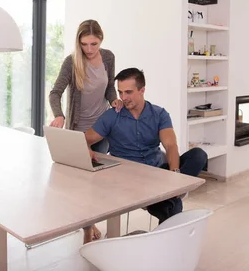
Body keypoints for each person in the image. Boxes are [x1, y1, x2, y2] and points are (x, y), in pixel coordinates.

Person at [85, 68, 208, 224]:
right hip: (126, 178)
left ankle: (169, 193)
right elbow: (84, 139)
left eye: (128, 92)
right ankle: (165, 200)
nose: (123, 97)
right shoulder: (112, 116)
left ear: (142, 90)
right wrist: (87, 149)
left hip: (156, 173)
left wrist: (175, 176)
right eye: (120, 92)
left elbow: (170, 145)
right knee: (172, 206)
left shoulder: (159, 114)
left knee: (199, 155)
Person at [49, 19, 122, 243]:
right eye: (84, 44)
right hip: (79, 132)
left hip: (102, 128)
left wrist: (114, 100)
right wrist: (59, 115)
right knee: (82, 185)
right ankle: (87, 229)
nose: (89, 49)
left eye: (94, 44)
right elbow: (55, 92)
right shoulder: (72, 62)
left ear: (101, 40)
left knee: (97, 183)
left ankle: (91, 224)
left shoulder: (108, 57)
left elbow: (109, 86)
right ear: (78, 42)